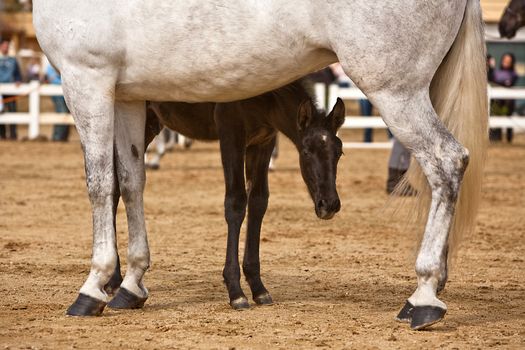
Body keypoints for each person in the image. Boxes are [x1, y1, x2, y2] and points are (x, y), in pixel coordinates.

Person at [489, 52, 518, 143]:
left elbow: (508, 83)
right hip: (497, 102)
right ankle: (496, 137)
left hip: (508, 102)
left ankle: (509, 138)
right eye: (505, 60)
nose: (506, 62)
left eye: (508, 61)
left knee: (508, 118)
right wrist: (491, 67)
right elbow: (491, 80)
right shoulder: (496, 72)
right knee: (495, 117)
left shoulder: (513, 74)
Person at [0, 39, 22, 140]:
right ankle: (2, 134)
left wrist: (18, 80)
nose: (6, 48)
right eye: (4, 46)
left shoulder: (13, 61)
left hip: (11, 90)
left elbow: (18, 74)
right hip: (0, 92)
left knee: (13, 111)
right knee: (1, 112)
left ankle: (13, 134)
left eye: (7, 46)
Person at [45, 64, 70, 141]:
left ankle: (63, 136)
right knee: (62, 112)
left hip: (66, 94)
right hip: (58, 95)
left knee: (66, 114)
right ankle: (57, 137)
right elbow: (54, 80)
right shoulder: (50, 67)